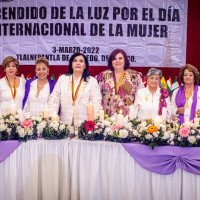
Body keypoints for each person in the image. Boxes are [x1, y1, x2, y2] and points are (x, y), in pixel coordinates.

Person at [48, 53, 102, 123]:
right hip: (64, 124)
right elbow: (54, 100)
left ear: (85, 65)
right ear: (71, 64)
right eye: (75, 61)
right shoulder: (63, 79)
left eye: (81, 61)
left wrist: (93, 123)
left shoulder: (92, 81)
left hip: (84, 124)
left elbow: (96, 102)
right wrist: (52, 120)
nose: (78, 63)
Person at [96, 49, 143, 117]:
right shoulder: (103, 76)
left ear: (125, 60)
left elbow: (141, 97)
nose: (117, 61)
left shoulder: (135, 76)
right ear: (111, 62)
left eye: (120, 58)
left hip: (128, 118)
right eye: (114, 59)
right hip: (107, 119)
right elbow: (97, 96)